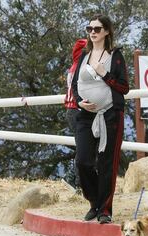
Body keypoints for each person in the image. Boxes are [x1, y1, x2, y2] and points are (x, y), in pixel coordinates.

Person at [72, 14, 129, 223]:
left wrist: (105, 73)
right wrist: (79, 102)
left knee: (106, 164)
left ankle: (105, 209)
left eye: (97, 29)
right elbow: (74, 85)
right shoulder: (83, 56)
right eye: (90, 29)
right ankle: (94, 201)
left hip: (110, 115)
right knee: (83, 161)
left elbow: (124, 88)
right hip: (86, 116)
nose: (93, 32)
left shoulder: (115, 56)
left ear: (106, 31)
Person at [63, 38, 87, 192]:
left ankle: (76, 180)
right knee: (87, 148)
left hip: (72, 110)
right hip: (78, 110)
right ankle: (74, 180)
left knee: (85, 147)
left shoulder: (74, 66)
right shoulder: (83, 68)